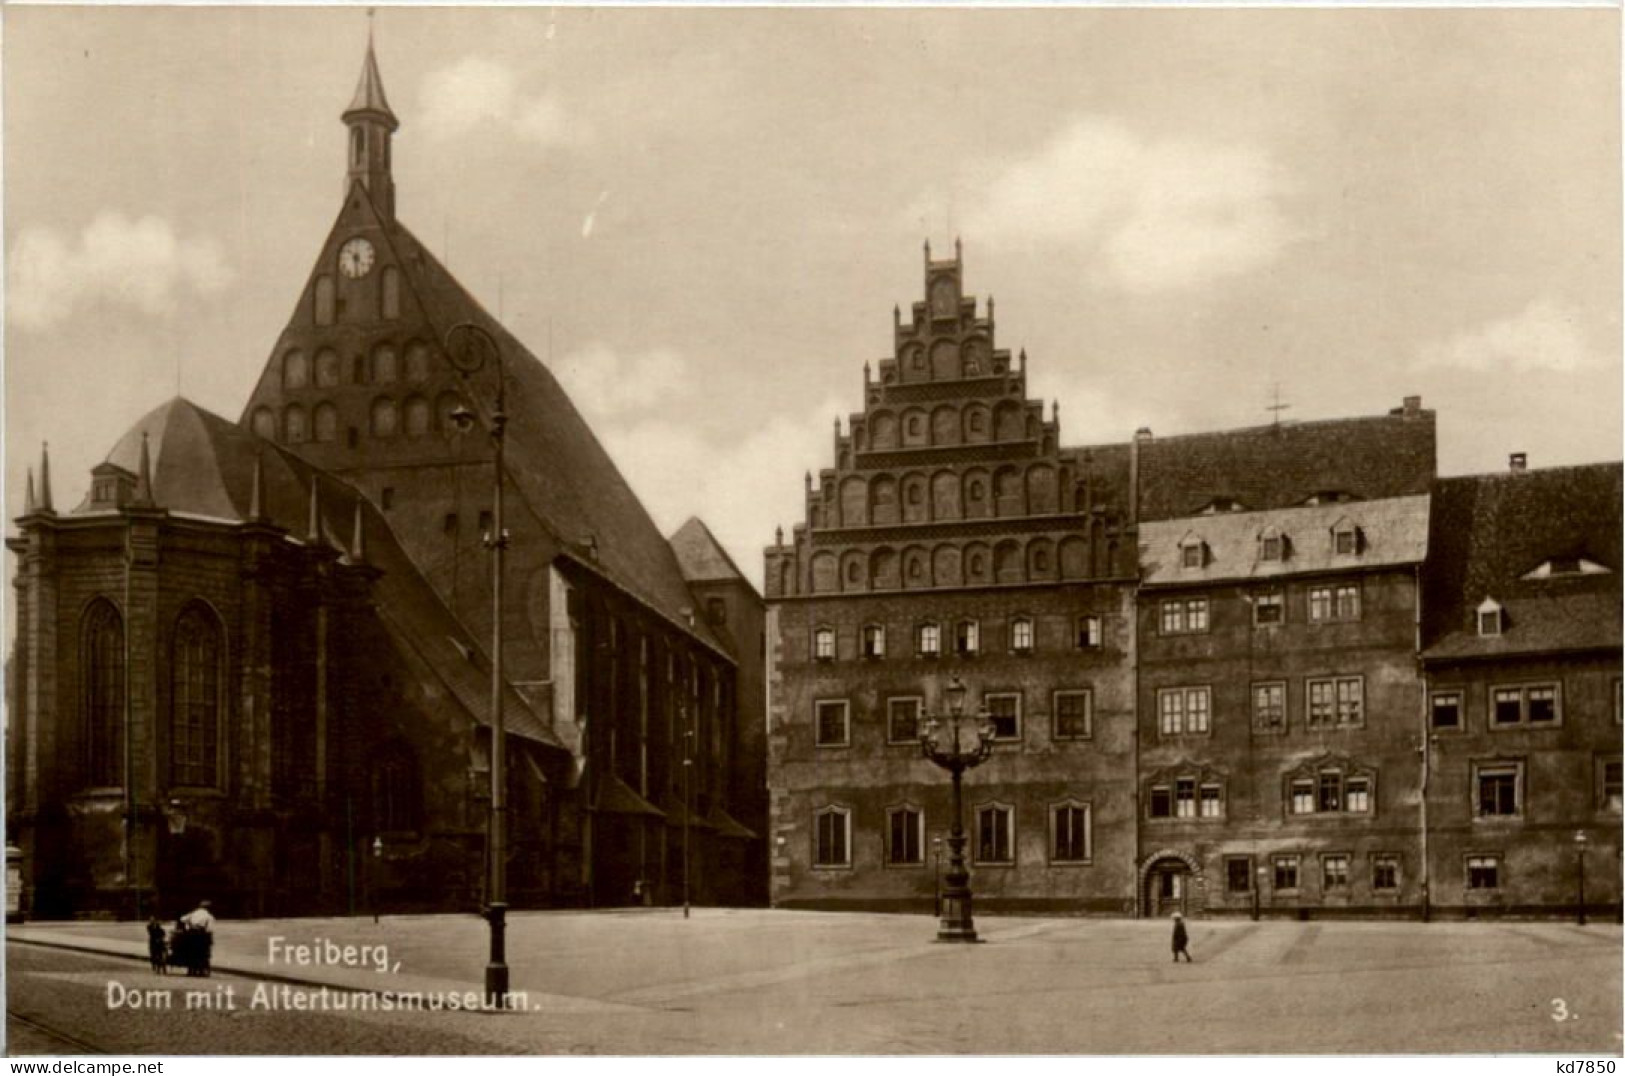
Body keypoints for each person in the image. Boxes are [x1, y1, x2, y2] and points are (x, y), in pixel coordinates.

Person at [180, 900, 215, 977]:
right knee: (202, 953)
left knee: (191, 952)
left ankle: (191, 970)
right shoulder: (208, 916)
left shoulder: (193, 913)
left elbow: (182, 919)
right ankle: (201, 970)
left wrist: (188, 925)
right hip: (201, 935)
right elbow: (209, 929)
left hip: (191, 934)